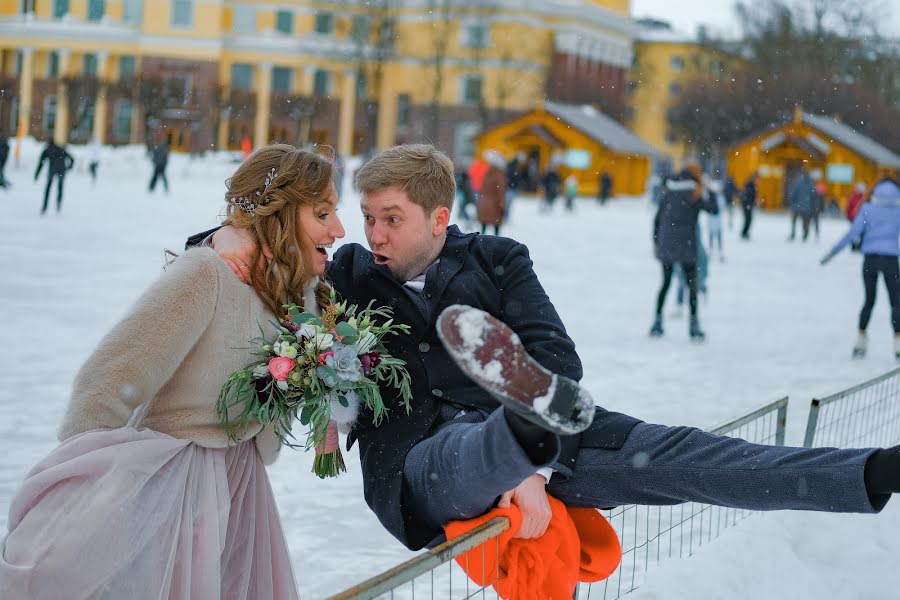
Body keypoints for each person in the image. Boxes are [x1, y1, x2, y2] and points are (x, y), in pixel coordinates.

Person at [199, 145, 900, 558]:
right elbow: (245, 253)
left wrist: (536, 445)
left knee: (685, 456)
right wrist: (234, 234)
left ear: (439, 219)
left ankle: (868, 473)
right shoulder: (349, 272)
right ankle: (516, 444)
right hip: (422, 461)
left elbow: (559, 362)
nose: (374, 233)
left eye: (392, 220)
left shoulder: (498, 259)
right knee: (466, 449)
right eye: (370, 217)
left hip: (556, 433)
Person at [1, 144, 346, 598]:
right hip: (167, 484)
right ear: (280, 213)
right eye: (323, 214)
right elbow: (109, 378)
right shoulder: (208, 273)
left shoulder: (300, 293)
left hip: (240, 489)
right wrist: (92, 490)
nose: (339, 230)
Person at [821, 178, 900, 359]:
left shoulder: (868, 209)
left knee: (869, 301)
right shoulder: (897, 211)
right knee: (896, 302)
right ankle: (898, 343)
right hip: (890, 260)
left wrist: (833, 252)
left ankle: (860, 339)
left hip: (870, 260)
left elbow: (853, 233)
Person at [649, 164, 718, 340]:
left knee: (665, 284)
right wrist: (711, 190)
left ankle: (657, 323)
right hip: (687, 244)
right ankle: (694, 327)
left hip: (668, 243)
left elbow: (657, 219)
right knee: (691, 287)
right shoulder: (695, 193)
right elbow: (713, 209)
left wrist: (656, 242)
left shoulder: (669, 190)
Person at [34, 139, 74, 215]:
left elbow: (41, 163)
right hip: (61, 170)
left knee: (48, 189)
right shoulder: (60, 149)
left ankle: (44, 207)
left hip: (52, 170)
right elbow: (72, 159)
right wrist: (68, 168)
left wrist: (36, 175)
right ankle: (58, 205)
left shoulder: (47, 150)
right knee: (60, 188)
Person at [477, 151, 507, 236]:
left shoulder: (487, 173)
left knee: (484, 224)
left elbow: (482, 188)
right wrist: (502, 204)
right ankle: (496, 241)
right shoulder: (499, 175)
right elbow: (501, 190)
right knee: (496, 225)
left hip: (485, 202)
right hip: (494, 204)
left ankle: (481, 240)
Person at [788, 168, 816, 242]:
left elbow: (793, 193)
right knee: (805, 222)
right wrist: (812, 206)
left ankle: (793, 234)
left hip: (797, 206)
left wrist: (792, 202)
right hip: (806, 207)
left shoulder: (798, 183)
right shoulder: (810, 183)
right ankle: (805, 235)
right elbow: (813, 195)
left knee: (794, 221)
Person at [504, 152, 524, 221]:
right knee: (507, 204)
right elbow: (513, 178)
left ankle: (505, 217)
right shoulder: (514, 168)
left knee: (507, 204)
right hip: (510, 188)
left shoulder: (511, 166)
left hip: (510, 187)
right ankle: (505, 217)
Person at [740, 172, 758, 240]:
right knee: (748, 219)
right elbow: (748, 194)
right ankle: (744, 233)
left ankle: (745, 232)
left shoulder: (752, 184)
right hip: (747, 204)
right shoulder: (750, 184)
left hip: (748, 204)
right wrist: (752, 201)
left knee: (748, 219)